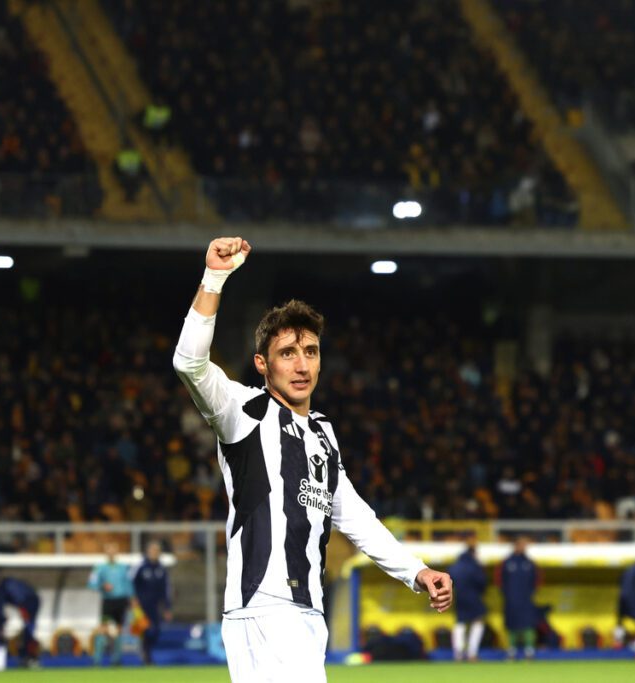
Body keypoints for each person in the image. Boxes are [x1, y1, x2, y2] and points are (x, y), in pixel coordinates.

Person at [172, 236, 453, 683]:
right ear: (263, 364)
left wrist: (416, 572)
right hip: (264, 605)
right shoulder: (242, 411)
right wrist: (215, 277)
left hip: (308, 609)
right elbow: (189, 363)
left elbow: (355, 516)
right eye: (288, 353)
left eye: (311, 352)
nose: (302, 365)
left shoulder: (323, 432)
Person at [87, 543, 135, 666]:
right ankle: (97, 660)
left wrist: (132, 598)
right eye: (109, 550)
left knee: (118, 630)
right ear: (106, 552)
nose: (112, 552)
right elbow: (91, 584)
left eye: (114, 550)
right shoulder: (99, 568)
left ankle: (116, 660)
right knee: (103, 629)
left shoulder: (124, 567)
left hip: (121, 602)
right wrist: (102, 585)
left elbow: (128, 584)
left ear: (117, 551)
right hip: (108, 602)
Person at [496, 537, 540, 660]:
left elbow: (537, 581)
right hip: (511, 600)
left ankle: (529, 651)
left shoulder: (530, 563)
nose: (523, 547)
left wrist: (531, 593)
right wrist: (506, 594)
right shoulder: (506, 563)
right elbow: (499, 581)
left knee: (528, 625)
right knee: (511, 625)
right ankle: (511, 651)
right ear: (515, 546)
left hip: (527, 600)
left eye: (525, 545)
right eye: (521, 545)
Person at [132, 539, 173, 664]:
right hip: (141, 605)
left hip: (155, 606)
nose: (154, 552)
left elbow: (165, 589)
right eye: (152, 550)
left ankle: (146, 652)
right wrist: (133, 599)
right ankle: (146, 656)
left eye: (157, 550)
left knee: (156, 630)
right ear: (148, 551)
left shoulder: (161, 569)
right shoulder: (141, 566)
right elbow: (132, 582)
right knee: (144, 629)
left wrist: (167, 607)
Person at [448, 540, 487, 661]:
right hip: (474, 597)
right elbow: (482, 582)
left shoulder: (455, 566)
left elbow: (450, 582)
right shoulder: (475, 566)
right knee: (477, 622)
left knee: (459, 623)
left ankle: (458, 653)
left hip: (458, 597)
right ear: (473, 553)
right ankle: (472, 653)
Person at [0, 577, 41, 667]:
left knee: (29, 631)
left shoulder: (8, 589)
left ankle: (30, 657)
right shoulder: (11, 587)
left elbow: (2, 606)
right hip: (30, 601)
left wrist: (0, 623)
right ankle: (29, 657)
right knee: (29, 630)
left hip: (28, 602)